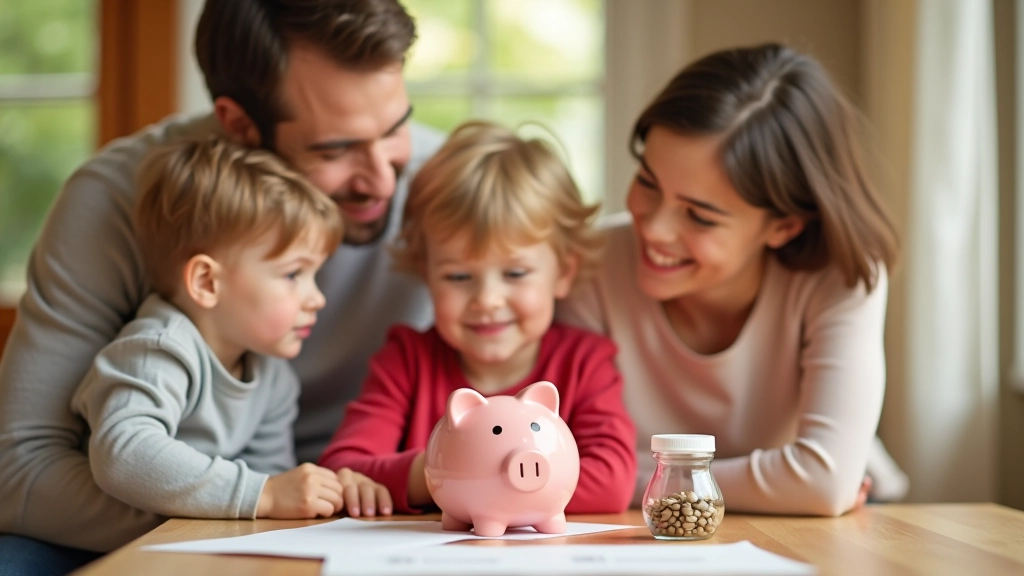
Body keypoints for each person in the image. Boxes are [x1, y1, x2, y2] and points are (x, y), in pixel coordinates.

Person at [0, 0, 442, 564]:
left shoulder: (442, 184)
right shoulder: (118, 201)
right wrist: (243, 512)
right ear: (238, 123)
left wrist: (278, 511)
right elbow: (23, 472)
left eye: (396, 127)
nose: (383, 179)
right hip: (207, 513)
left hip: (321, 509)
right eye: (335, 149)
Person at [557, 43, 907, 516]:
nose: (654, 227)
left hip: (842, 519)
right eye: (647, 182)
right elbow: (563, 468)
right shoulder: (588, 264)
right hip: (643, 523)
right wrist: (792, 478)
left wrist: (628, 476)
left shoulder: (841, 277)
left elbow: (824, 484)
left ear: (784, 225)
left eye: (699, 217)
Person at [318, 121, 637, 515]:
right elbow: (342, 470)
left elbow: (612, 482)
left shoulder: (584, 364)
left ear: (564, 272)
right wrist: (497, 477)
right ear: (427, 273)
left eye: (515, 274)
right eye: (458, 276)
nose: (487, 300)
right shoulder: (406, 361)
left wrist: (453, 482)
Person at [72, 137, 381, 529]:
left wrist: (300, 494)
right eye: (293, 274)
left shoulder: (271, 373)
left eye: (314, 275)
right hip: (79, 547)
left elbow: (268, 478)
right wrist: (265, 494)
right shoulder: (157, 349)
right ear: (206, 282)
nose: (316, 298)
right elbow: (124, 453)